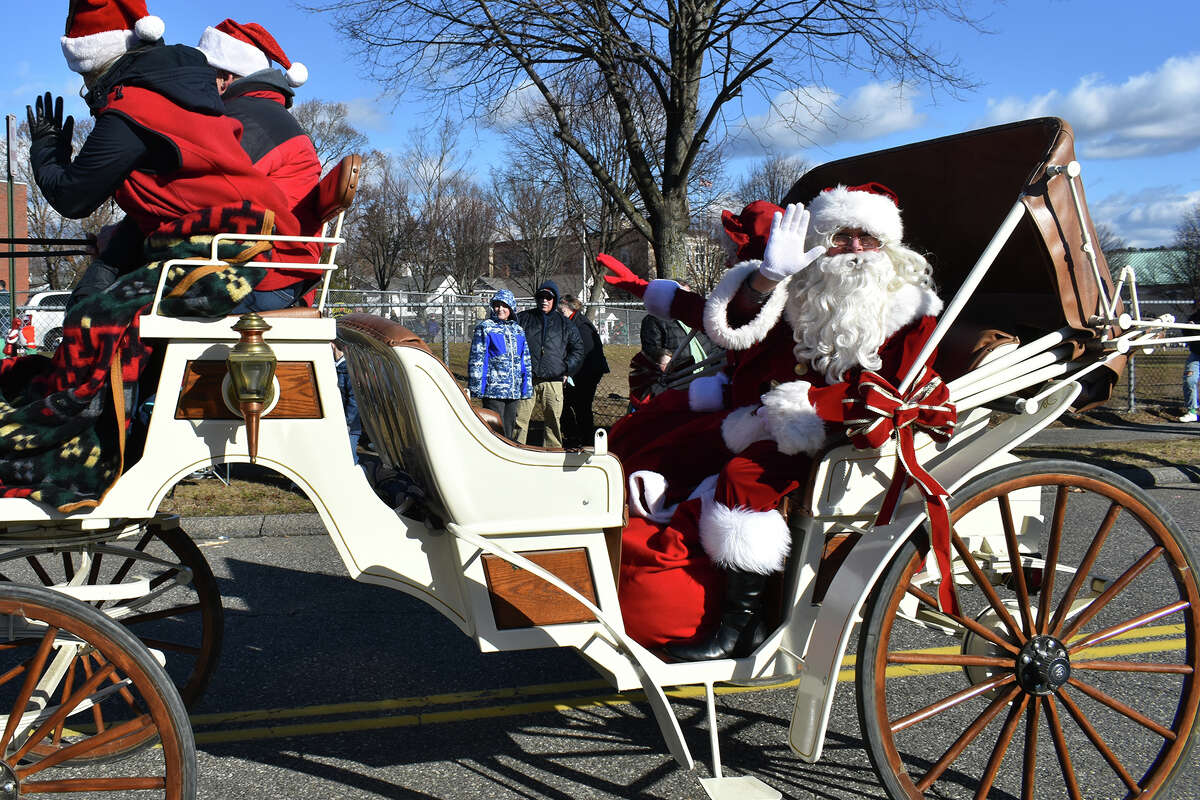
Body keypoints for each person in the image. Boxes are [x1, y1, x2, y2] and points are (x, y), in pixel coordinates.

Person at [601, 185, 946, 659]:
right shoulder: (805, 289)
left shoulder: (912, 314)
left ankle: (739, 628)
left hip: (839, 432)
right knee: (669, 443)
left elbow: (896, 390)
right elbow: (738, 321)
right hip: (765, 418)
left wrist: (810, 404)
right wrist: (765, 278)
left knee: (745, 478)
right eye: (843, 237)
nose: (857, 251)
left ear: (889, 247)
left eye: (869, 239)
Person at [0, 0, 320, 512]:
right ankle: (93, 408)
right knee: (98, 290)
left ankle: (80, 425)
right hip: (240, 249)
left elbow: (75, 197)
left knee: (94, 312)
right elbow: (179, 192)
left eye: (87, 80)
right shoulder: (180, 97)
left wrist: (45, 155)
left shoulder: (139, 105)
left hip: (244, 259)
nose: (85, 94)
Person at [196, 19, 321, 251]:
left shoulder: (246, 117)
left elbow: (202, 189)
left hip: (266, 267)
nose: (197, 83)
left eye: (206, 74)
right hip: (274, 258)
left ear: (226, 78)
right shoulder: (262, 112)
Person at [513, 280, 584, 447]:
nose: (544, 300)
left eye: (548, 297)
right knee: (520, 421)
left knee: (553, 423)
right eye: (541, 297)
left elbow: (578, 349)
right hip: (527, 379)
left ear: (555, 299)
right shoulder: (523, 319)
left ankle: (552, 457)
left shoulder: (565, 323)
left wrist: (566, 369)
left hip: (554, 381)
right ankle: (516, 453)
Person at [631, 281, 721, 406]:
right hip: (678, 380)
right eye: (680, 295)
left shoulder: (699, 319)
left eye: (687, 295)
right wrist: (662, 356)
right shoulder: (654, 320)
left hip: (707, 379)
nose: (685, 300)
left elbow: (714, 345)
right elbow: (650, 349)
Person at [467, 289, 532, 439]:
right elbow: (477, 359)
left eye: (504, 306)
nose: (500, 309)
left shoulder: (518, 330)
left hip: (513, 391)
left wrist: (525, 386)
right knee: (494, 430)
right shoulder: (485, 328)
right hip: (493, 391)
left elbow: (525, 361)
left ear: (511, 307)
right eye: (497, 305)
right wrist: (477, 386)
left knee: (509, 430)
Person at [559, 293, 609, 447]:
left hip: (587, 373)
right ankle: (575, 435)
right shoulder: (573, 322)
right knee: (567, 405)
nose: (560, 314)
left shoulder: (581, 325)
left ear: (569, 308)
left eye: (562, 312)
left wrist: (569, 373)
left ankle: (585, 439)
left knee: (581, 407)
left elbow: (584, 353)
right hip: (579, 372)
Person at [331, 340, 362, 463]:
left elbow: (354, 399)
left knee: (348, 460)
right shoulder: (334, 367)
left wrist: (347, 421)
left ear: (332, 345)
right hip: (339, 421)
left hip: (348, 424)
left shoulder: (348, 369)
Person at [1180, 303, 1200, 422]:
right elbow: (1186, 333)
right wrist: (1190, 327)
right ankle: (1192, 411)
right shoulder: (1194, 317)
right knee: (1190, 380)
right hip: (1196, 355)